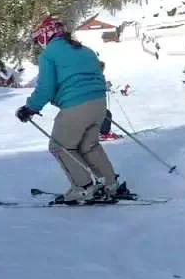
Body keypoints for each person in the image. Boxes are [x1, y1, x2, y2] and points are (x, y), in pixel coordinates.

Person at [14, 16, 131, 204]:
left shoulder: (49, 54)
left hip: (77, 106)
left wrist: (30, 108)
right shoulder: (85, 50)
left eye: (38, 39)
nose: (39, 44)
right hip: (99, 103)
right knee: (89, 146)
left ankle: (84, 188)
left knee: (60, 146)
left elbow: (46, 87)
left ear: (45, 35)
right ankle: (110, 185)